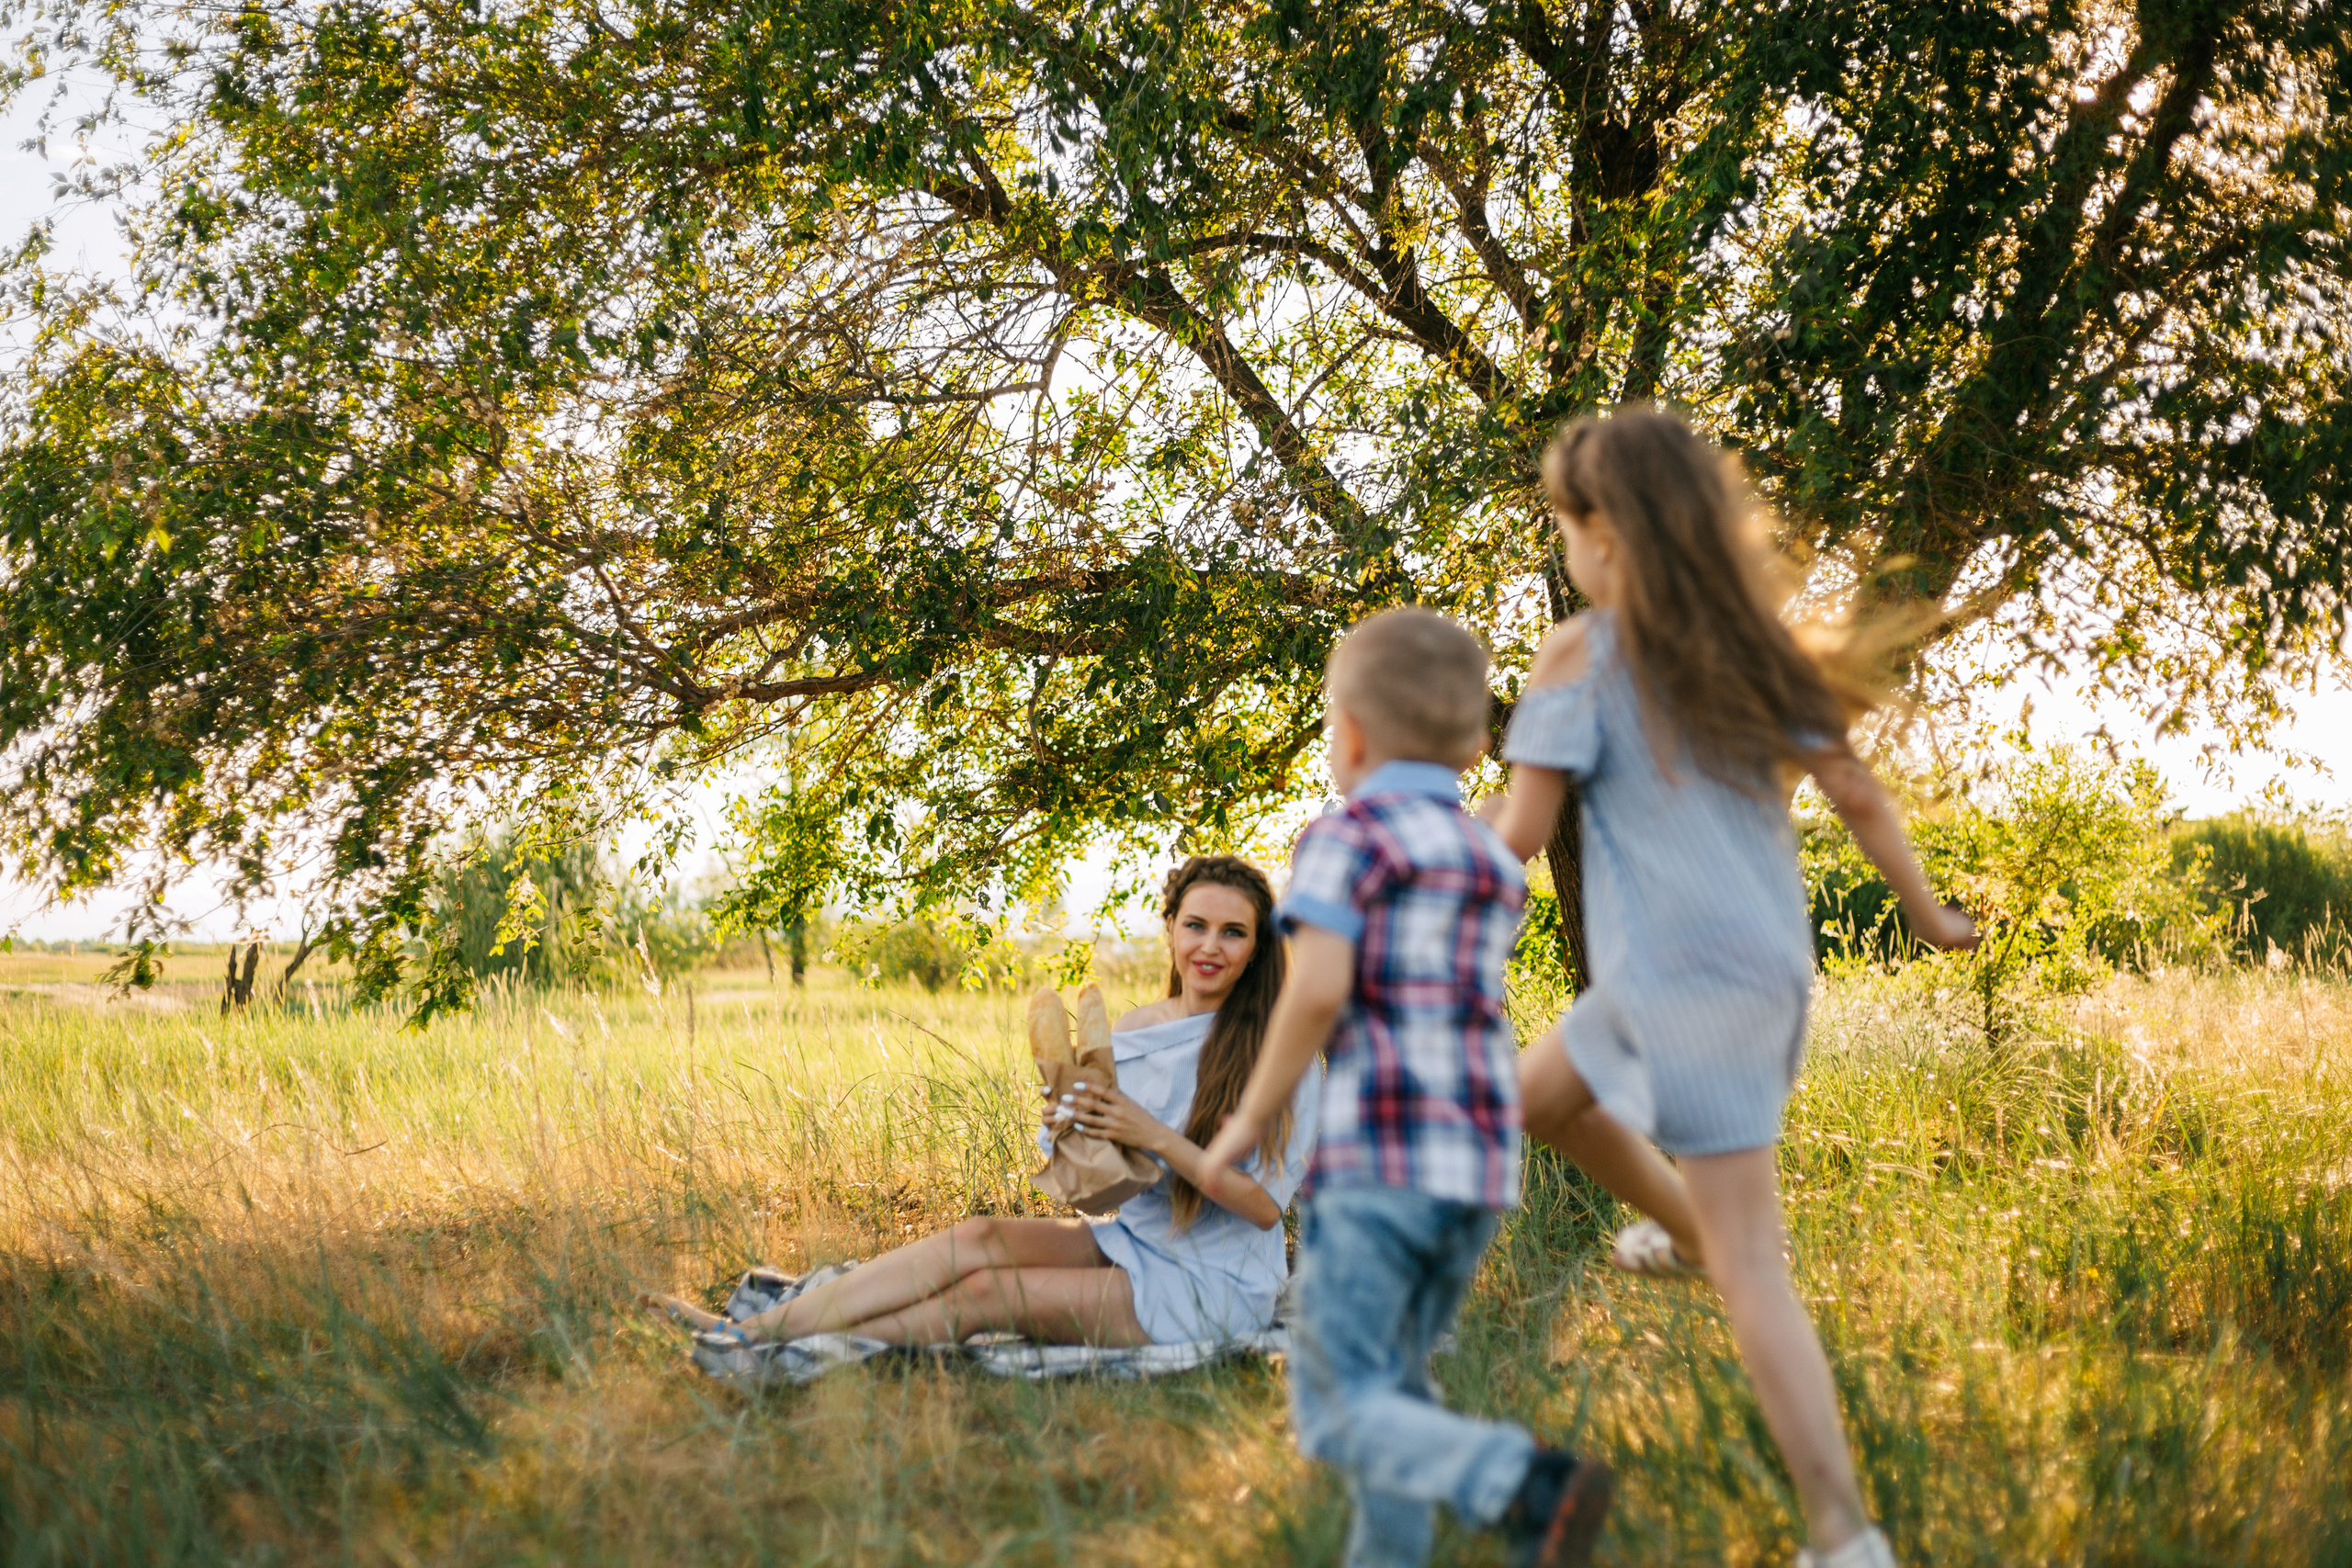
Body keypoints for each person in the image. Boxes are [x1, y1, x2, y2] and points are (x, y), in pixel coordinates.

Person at [1480, 408, 1978, 1568]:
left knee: (1754, 1262)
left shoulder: (1579, 654)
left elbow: (1518, 835)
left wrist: (1402, 860)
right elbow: (1855, 794)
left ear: (1602, 532)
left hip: (1669, 979)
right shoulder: (1753, 647)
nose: (1565, 547)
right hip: (1762, 975)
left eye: (1563, 524)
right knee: (1533, 1100)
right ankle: (1687, 1233)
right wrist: (1923, 910)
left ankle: (1843, 1532)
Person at [1202, 608, 1614, 1568]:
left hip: (1380, 1164)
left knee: (1337, 1411)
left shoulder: (1346, 839)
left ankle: (1517, 1480)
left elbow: (1315, 995)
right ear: (1473, 743)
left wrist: (1250, 1116)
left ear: (1346, 734)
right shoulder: (1483, 854)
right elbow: (1530, 816)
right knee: (1392, 1389)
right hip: (1476, 1169)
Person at [641, 855, 1317, 1348]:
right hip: (1135, 1240)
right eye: (1195, 924)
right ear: (1171, 928)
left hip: (1213, 1284)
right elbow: (1100, 1198)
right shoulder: (1133, 1032)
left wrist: (1155, 1134)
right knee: (976, 1237)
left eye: (1234, 932)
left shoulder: (1284, 1053)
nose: (1210, 945)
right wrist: (1076, 1134)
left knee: (984, 1295)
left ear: (1259, 948)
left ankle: (772, 1346)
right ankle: (751, 1330)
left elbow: (1263, 1210)